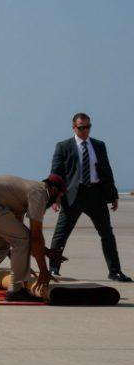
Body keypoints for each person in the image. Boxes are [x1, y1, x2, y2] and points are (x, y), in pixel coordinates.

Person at [48, 113, 130, 282]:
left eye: (88, 127)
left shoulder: (99, 145)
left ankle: (115, 271)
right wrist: (54, 198)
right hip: (72, 197)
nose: (85, 131)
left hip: (95, 195)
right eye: (81, 128)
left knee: (107, 234)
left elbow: (106, 171)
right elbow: (56, 174)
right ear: (74, 128)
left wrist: (113, 195)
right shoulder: (63, 146)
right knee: (61, 235)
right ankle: (53, 269)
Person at [0, 174, 65, 302]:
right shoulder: (40, 193)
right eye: (60, 196)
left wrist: (46, 252)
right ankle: (16, 289)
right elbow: (34, 236)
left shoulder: (22, 192)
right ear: (53, 190)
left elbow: (17, 231)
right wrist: (43, 271)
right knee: (22, 240)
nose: (58, 201)